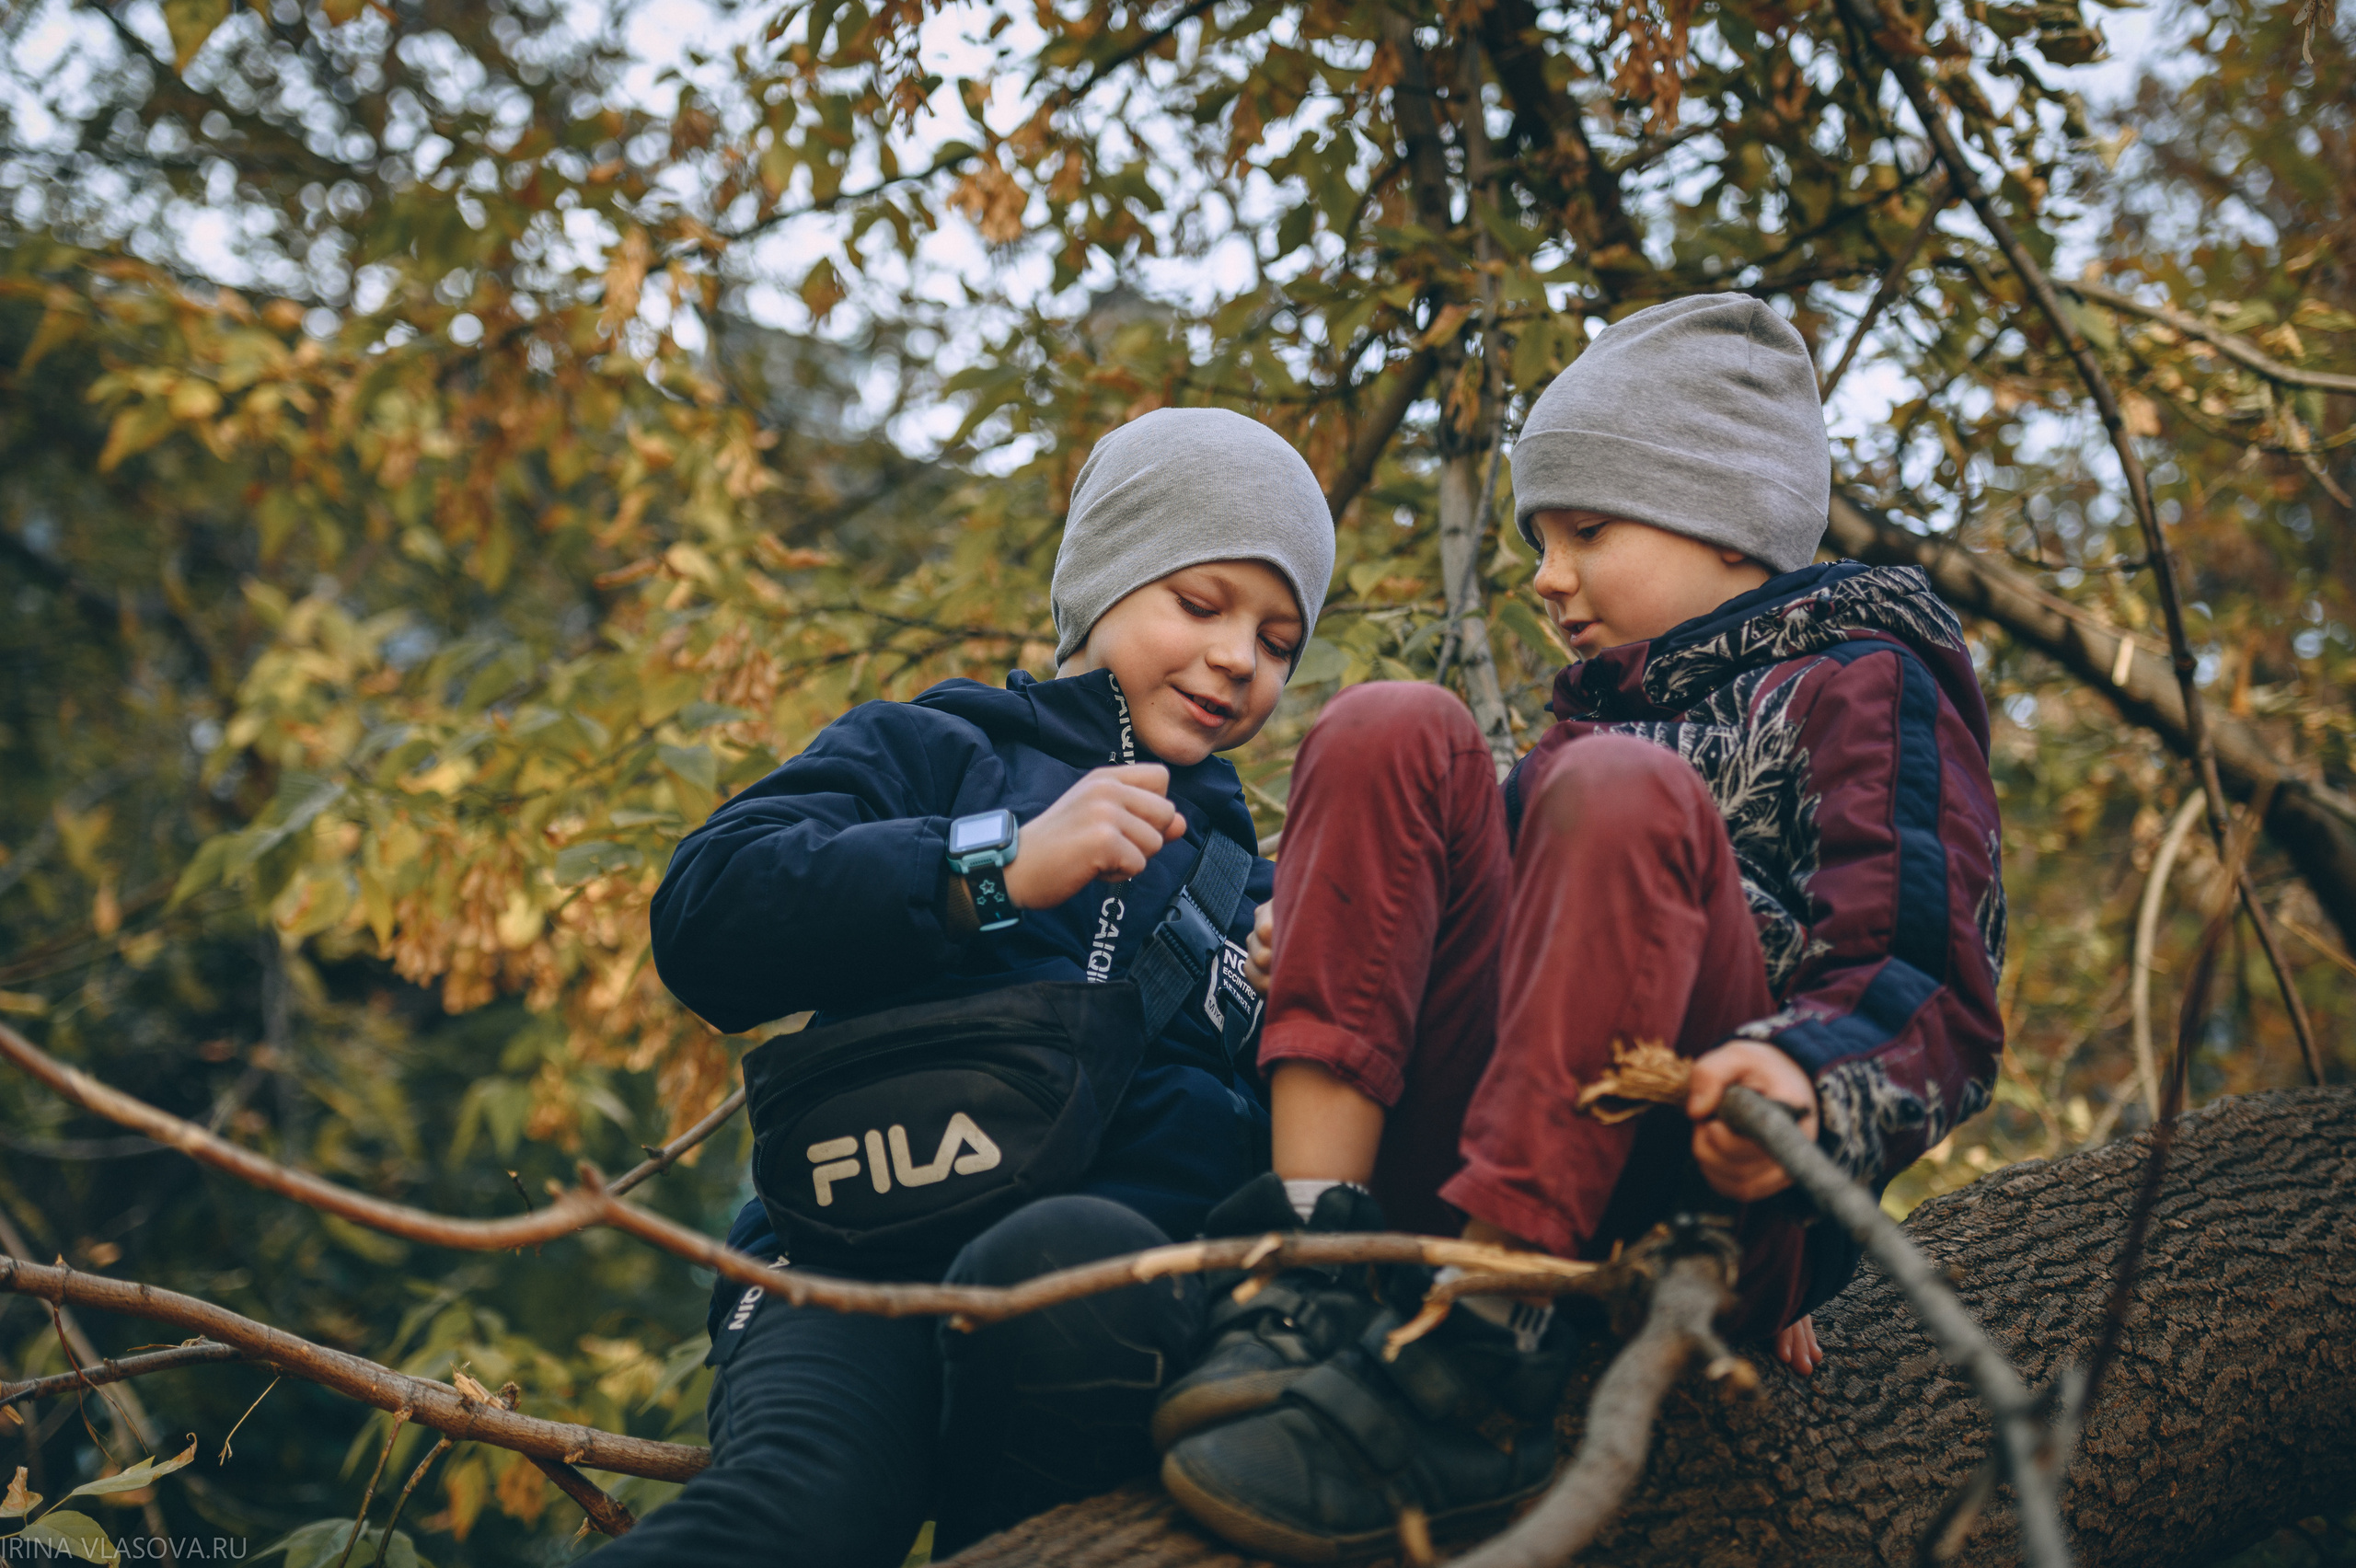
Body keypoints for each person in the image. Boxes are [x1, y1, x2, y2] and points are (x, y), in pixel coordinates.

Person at [1156, 294, 2007, 1563]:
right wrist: (1338, 953)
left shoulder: (1861, 677)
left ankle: (1484, 1355)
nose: (1546, 579)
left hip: (1704, 1176)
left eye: (1588, 532)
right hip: (1481, 1152)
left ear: (1725, 524)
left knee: (1616, 791)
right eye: (1540, 541)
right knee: (1395, 721)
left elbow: (1924, 975)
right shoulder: (1589, 730)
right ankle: (1312, 1261)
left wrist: (1804, 1100)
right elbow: (1491, 950)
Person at [606, 407, 1334, 1567]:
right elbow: (707, 917)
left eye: (1280, 638)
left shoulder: (1258, 884)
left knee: (1062, 1266)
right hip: (840, 1267)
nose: (1240, 657)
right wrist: (984, 869)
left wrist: (1288, 994)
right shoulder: (940, 751)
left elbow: (1274, 1151)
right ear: (1102, 587)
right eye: (1199, 605)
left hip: (1096, 1314)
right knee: (787, 1520)